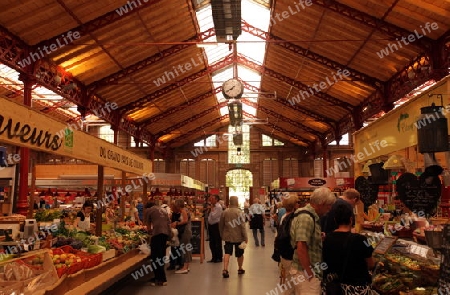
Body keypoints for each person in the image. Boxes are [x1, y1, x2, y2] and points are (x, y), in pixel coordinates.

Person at [289, 187, 335, 295]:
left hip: (304, 272)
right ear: (321, 203)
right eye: (329, 206)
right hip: (305, 273)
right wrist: (309, 272)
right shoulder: (306, 218)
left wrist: (318, 237)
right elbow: (301, 246)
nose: (329, 209)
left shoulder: (309, 215)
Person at [323, 203, 375, 294]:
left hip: (336, 287)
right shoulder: (362, 239)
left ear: (335, 220)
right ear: (351, 219)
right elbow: (371, 264)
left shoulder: (327, 238)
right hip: (358, 287)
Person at [143, 201, 172, 286]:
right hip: (165, 234)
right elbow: (168, 223)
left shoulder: (149, 210)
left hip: (157, 234)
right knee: (161, 256)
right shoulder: (163, 210)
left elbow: (147, 225)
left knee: (155, 257)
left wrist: (149, 233)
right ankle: (157, 277)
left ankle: (161, 280)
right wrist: (169, 236)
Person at [219, 196, 248, 278]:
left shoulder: (225, 212)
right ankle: (240, 268)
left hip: (228, 236)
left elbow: (221, 225)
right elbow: (242, 226)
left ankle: (225, 269)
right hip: (238, 236)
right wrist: (245, 237)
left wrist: (222, 234)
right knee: (240, 253)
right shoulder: (240, 212)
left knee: (227, 252)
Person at [172, 199, 192, 274]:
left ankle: (185, 268)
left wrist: (176, 223)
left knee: (185, 248)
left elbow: (185, 220)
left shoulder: (183, 210)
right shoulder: (185, 210)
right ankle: (187, 266)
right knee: (187, 248)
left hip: (185, 231)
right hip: (187, 231)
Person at [207, 194, 223, 263]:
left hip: (216, 226)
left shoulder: (218, 207)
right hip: (211, 225)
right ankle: (214, 257)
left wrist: (211, 209)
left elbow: (213, 216)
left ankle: (219, 257)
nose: (211, 200)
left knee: (217, 242)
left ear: (216, 200)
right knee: (212, 242)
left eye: (212, 199)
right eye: (211, 199)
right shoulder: (213, 206)